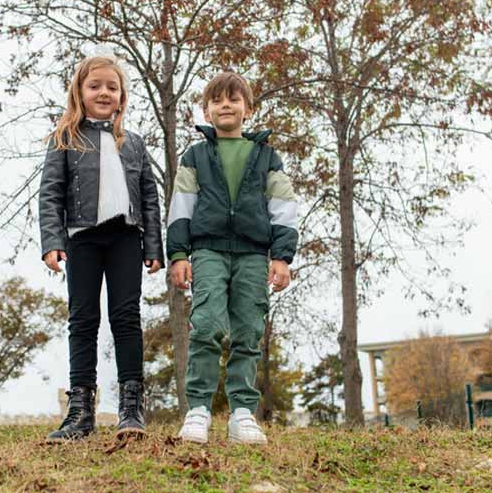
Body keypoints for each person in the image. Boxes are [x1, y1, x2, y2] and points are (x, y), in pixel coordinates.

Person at [167, 72, 298, 444]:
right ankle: (198, 410)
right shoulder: (196, 155)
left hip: (254, 254)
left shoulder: (267, 156)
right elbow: (181, 207)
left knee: (248, 331)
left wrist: (282, 257)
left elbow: (283, 208)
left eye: (234, 99)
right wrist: (178, 253)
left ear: (248, 109)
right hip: (207, 250)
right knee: (206, 326)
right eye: (218, 100)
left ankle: (242, 413)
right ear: (207, 111)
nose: (226, 105)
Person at [39, 55, 164, 442]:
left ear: (122, 96)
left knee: (126, 317)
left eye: (112, 87)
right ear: (80, 92)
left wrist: (153, 245)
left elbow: (149, 196)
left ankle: (131, 407)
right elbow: (50, 193)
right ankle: (80, 410)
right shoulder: (64, 139)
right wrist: (52, 242)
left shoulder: (135, 143)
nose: (103, 93)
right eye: (95, 86)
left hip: (126, 237)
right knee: (83, 319)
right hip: (82, 239)